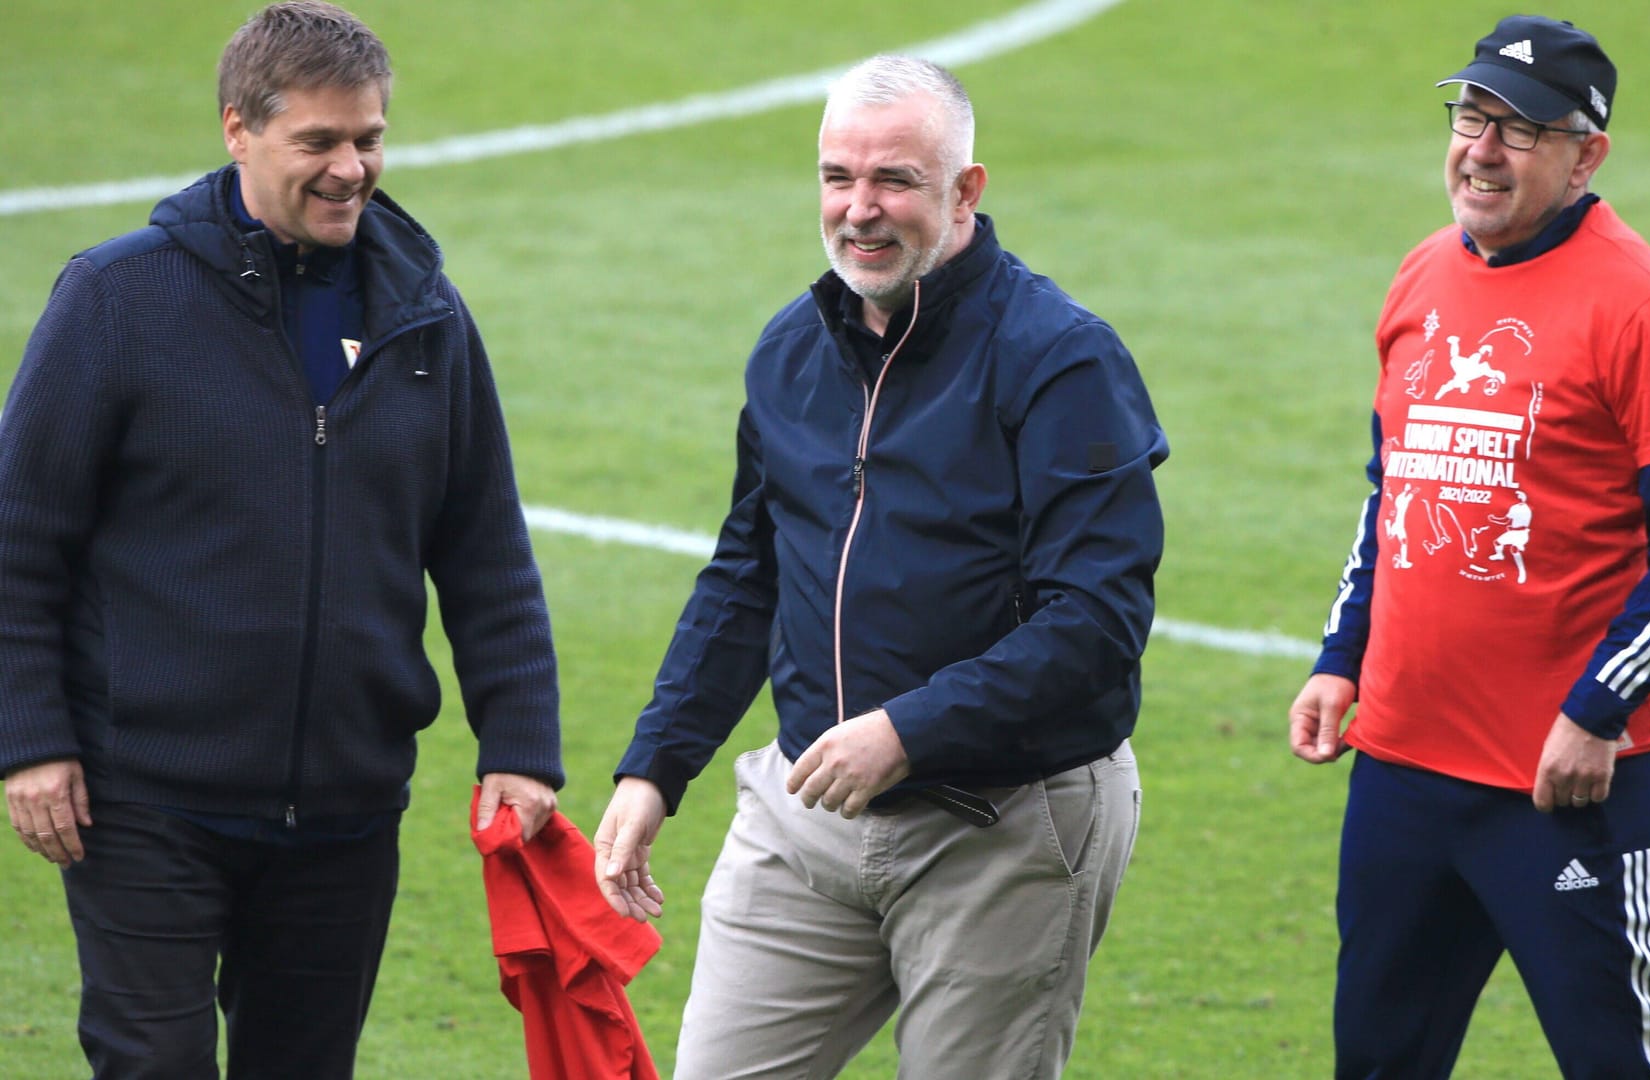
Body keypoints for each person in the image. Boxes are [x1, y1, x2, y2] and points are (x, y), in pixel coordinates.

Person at [0, 3, 564, 1076]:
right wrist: (30, 737)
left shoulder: (425, 318)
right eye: (319, 142)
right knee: (153, 1064)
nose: (352, 168)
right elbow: (19, 532)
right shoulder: (117, 298)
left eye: (370, 137)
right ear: (237, 130)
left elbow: (484, 540)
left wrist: (521, 744)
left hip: (347, 807)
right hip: (144, 798)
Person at [594, 54, 1167, 1079]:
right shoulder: (790, 351)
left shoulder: (1061, 360)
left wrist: (907, 731)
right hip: (805, 812)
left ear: (965, 191)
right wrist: (656, 764)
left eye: (895, 180)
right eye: (837, 177)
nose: (861, 210)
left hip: (1003, 828)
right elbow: (748, 573)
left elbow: (1095, 625)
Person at [1287, 15, 1650, 1079]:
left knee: (1620, 1065)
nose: (1482, 150)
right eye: (1471, 116)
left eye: (1522, 131)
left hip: (1569, 788)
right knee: (1377, 1061)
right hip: (1402, 766)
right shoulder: (1420, 277)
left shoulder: (1645, 307)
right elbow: (1393, 489)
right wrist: (1341, 654)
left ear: (1586, 155)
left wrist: (1599, 713)